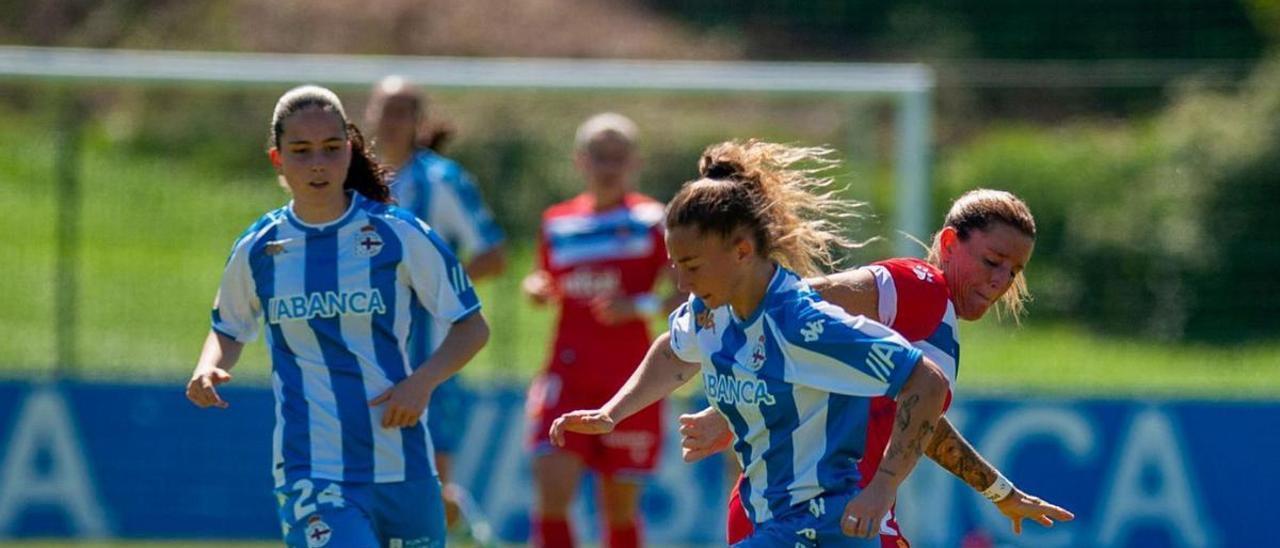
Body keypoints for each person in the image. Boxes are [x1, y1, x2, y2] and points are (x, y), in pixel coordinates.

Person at [551, 140, 952, 547]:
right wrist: (611, 413)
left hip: (819, 525)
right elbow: (673, 352)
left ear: (742, 250)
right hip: (774, 521)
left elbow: (926, 381)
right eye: (676, 267)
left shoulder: (801, 324)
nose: (682, 283)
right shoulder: (712, 309)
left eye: (692, 266)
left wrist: (883, 487)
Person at [678, 188, 1075, 545]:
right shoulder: (920, 287)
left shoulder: (933, 324)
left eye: (1015, 271)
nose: (1001, 281)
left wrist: (1001, 493)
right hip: (813, 514)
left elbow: (921, 422)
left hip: (823, 515)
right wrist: (731, 403)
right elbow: (795, 304)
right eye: (992, 262)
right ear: (950, 243)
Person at [185, 85, 490, 548]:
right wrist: (210, 365)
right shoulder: (260, 247)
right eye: (301, 151)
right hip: (312, 466)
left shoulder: (399, 233)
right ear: (277, 159)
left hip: (403, 462)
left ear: (350, 150)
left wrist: (421, 382)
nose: (317, 164)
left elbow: (471, 326)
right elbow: (228, 327)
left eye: (331, 149)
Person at [522, 113, 681, 548]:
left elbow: (691, 290)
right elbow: (544, 277)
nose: (608, 166)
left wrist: (639, 306)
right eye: (599, 156)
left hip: (630, 379)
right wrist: (534, 286)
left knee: (619, 508)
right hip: (566, 374)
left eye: (618, 157)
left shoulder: (656, 222)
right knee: (551, 491)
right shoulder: (557, 221)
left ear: (635, 163)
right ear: (580, 161)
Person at [366, 75, 507, 532]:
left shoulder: (440, 180)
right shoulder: (350, 182)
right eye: (384, 109)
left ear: (419, 121)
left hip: (431, 356)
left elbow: (493, 253)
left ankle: (460, 530)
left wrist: (437, 287)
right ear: (369, 115)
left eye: (402, 111)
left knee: (429, 478)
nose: (391, 121)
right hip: (364, 352)